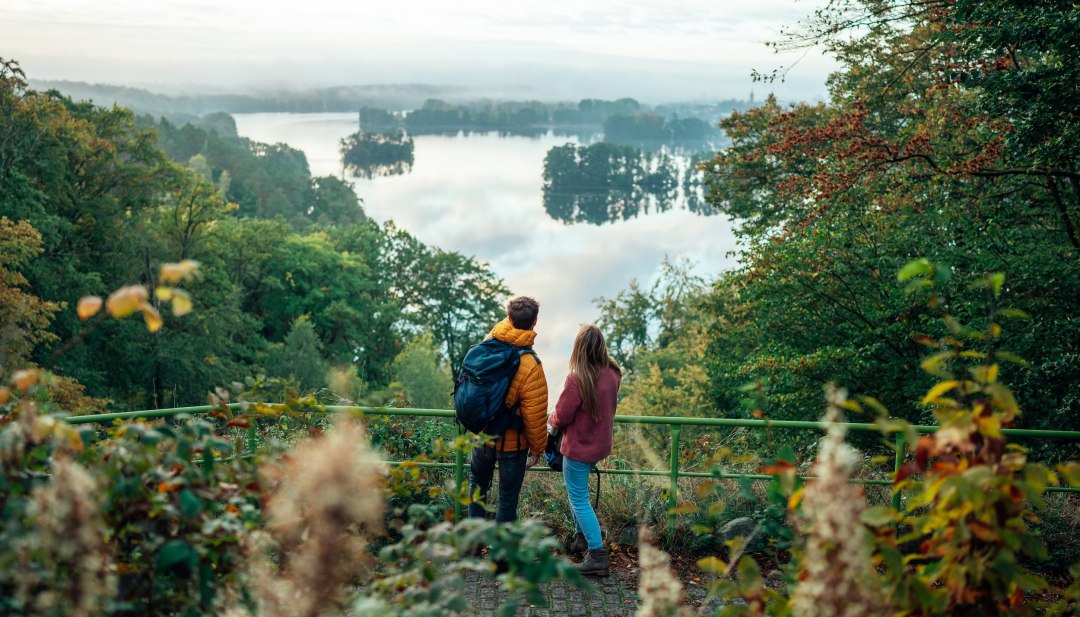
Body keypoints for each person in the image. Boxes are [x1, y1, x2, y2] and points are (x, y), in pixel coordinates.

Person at [547, 324, 622, 577]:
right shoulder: (613, 373)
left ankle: (597, 554)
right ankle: (581, 539)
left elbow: (562, 416)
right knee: (579, 495)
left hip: (579, 447)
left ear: (579, 348)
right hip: (598, 444)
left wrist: (551, 421)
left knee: (579, 499)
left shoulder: (577, 378)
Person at [467, 296, 549, 526]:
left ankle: (472, 550)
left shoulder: (488, 344)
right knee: (507, 500)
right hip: (512, 444)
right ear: (535, 322)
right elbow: (534, 415)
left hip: (482, 436)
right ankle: (501, 557)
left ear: (509, 318)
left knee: (477, 490)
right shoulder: (532, 365)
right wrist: (537, 448)